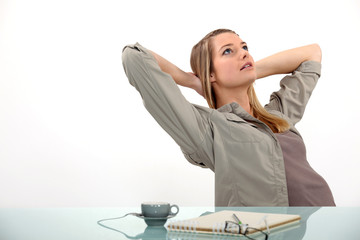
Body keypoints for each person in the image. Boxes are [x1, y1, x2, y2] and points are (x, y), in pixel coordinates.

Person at [122, 28, 335, 207]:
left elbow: (312, 54)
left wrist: (249, 69)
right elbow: (135, 57)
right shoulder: (209, 130)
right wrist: (192, 80)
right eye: (227, 52)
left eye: (244, 48)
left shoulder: (278, 115)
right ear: (210, 73)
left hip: (330, 223)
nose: (244, 53)